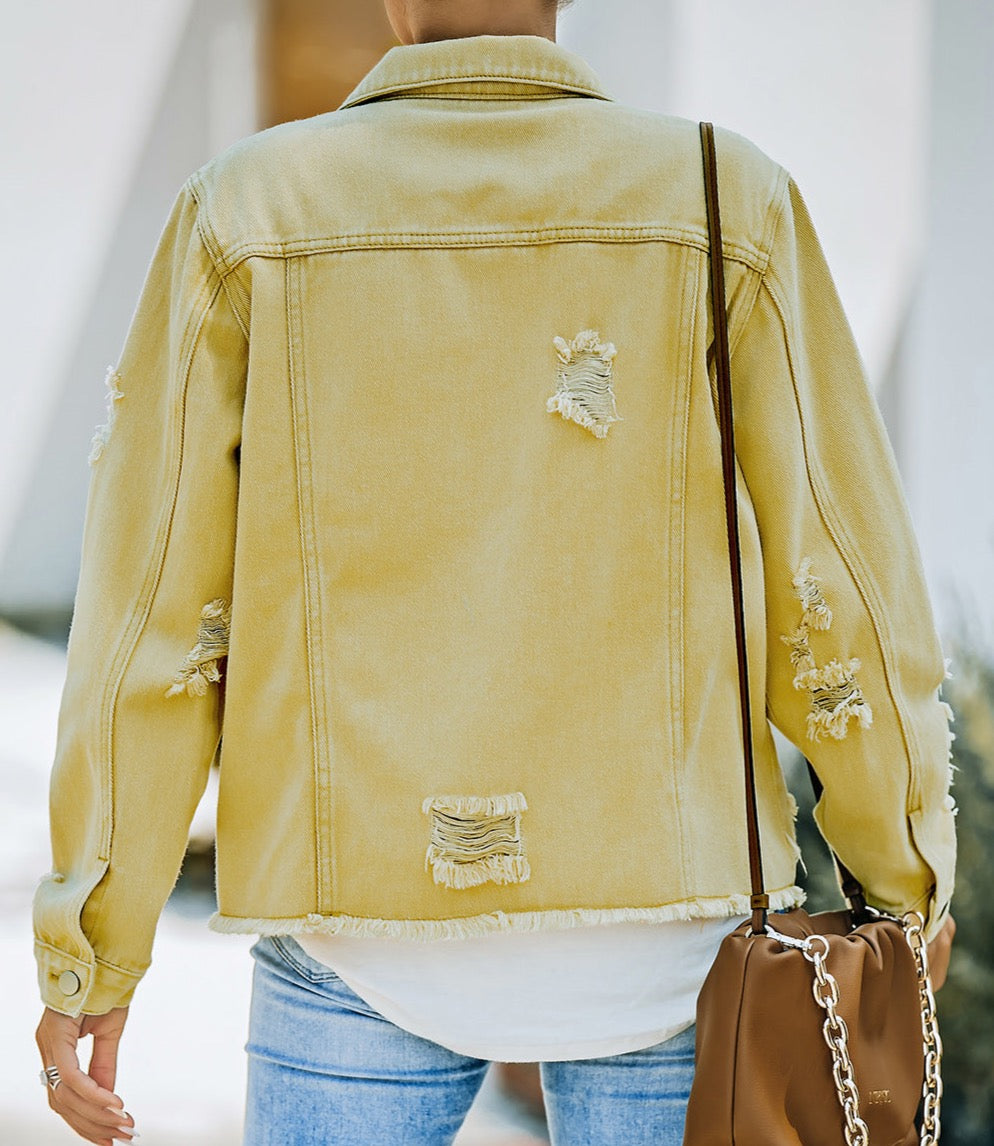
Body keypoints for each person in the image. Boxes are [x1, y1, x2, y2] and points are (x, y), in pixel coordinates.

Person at [33, 1, 957, 1143]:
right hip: (669, 945)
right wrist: (907, 880)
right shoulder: (725, 199)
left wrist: (93, 949)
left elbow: (155, 610)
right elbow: (842, 584)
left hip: (350, 933)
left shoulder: (248, 209)